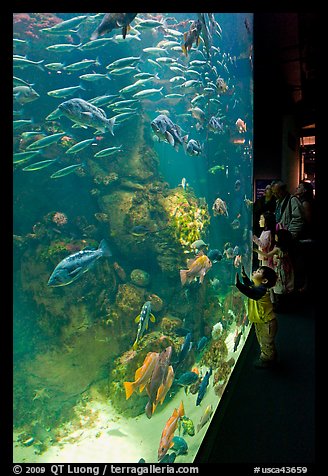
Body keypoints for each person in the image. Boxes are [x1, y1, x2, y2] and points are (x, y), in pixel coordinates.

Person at [235, 265, 278, 368]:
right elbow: (250, 286)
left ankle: (267, 361)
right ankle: (270, 356)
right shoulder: (259, 287)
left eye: (258, 271)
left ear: (264, 281)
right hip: (262, 322)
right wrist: (244, 276)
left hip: (267, 323)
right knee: (264, 342)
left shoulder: (262, 292)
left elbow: (250, 292)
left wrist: (238, 285)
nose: (255, 271)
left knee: (266, 343)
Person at [254, 228, 295, 311]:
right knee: (284, 286)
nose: (275, 236)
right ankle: (283, 305)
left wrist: (256, 250)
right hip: (285, 269)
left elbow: (267, 255)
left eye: (277, 235)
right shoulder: (285, 248)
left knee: (277, 287)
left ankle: (279, 307)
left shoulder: (277, 248)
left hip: (279, 270)